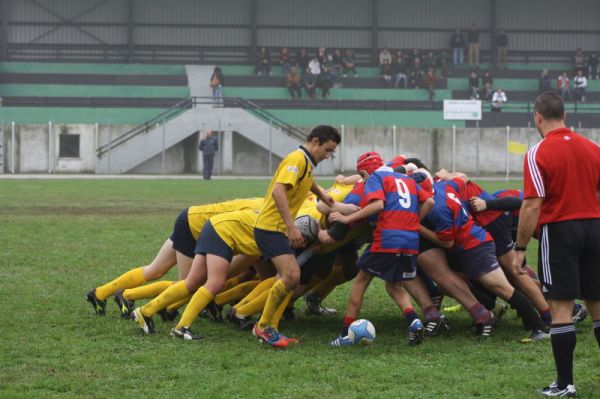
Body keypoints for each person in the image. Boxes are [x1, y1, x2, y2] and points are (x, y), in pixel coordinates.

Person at [513, 91, 600, 397]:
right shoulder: (593, 148)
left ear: (537, 116)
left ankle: (565, 384)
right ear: (564, 115)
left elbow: (533, 204)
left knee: (561, 309)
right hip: (595, 227)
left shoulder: (537, 153)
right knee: (597, 306)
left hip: (560, 230)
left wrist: (520, 248)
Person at [85, 198, 263, 317]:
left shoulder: (265, 204)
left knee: (155, 270)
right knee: (188, 284)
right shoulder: (267, 219)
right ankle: (129, 295)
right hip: (197, 229)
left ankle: (100, 293)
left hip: (190, 218)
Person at [328, 152, 435, 347]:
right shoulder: (405, 178)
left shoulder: (375, 177)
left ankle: (345, 333)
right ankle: (414, 321)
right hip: (410, 240)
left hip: (387, 238)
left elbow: (377, 204)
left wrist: (346, 219)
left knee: (360, 281)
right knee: (394, 285)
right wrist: (412, 222)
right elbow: (429, 201)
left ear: (363, 172)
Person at [252, 125, 340, 348]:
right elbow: (278, 191)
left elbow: (306, 180)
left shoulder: (306, 163)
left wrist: (323, 195)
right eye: (327, 150)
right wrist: (292, 227)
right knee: (291, 276)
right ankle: (263, 326)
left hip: (276, 228)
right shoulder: (298, 159)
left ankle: (268, 327)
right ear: (315, 141)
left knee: (287, 278)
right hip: (271, 227)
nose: (328, 156)